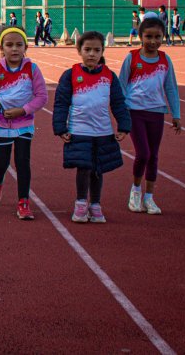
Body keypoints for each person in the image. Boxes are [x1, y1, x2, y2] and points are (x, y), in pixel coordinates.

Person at [52, 31, 131, 224]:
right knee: (84, 168)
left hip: (103, 132)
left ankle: (95, 204)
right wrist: (60, 128)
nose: (92, 54)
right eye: (87, 49)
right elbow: (61, 103)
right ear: (79, 50)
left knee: (98, 169)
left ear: (103, 51)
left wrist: (123, 126)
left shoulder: (109, 76)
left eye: (97, 50)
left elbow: (118, 103)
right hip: (79, 131)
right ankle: (80, 204)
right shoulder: (71, 75)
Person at [0, 26, 48, 219]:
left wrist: (23, 110)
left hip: (24, 124)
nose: (15, 49)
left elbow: (42, 96)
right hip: (1, 125)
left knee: (22, 162)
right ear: (2, 47)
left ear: (25, 46)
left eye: (19, 44)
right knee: (1, 162)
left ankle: (23, 202)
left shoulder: (32, 69)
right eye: (9, 45)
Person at [118, 16, 181, 215]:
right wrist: (121, 115)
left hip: (156, 112)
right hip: (134, 111)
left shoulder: (164, 60)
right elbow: (121, 85)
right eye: (148, 36)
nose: (153, 41)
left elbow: (171, 88)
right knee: (143, 153)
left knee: (153, 156)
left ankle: (149, 197)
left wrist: (176, 114)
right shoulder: (132, 57)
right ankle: (136, 190)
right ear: (140, 36)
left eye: (157, 37)